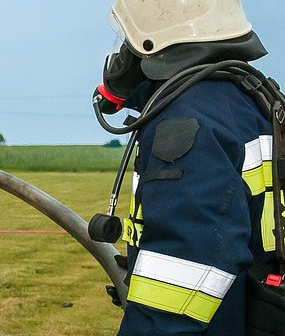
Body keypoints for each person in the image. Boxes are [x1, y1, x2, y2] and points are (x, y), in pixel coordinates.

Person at [93, 0, 284, 334]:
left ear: (156, 41)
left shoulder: (186, 123)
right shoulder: (244, 100)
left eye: (130, 42)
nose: (123, 56)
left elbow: (182, 281)